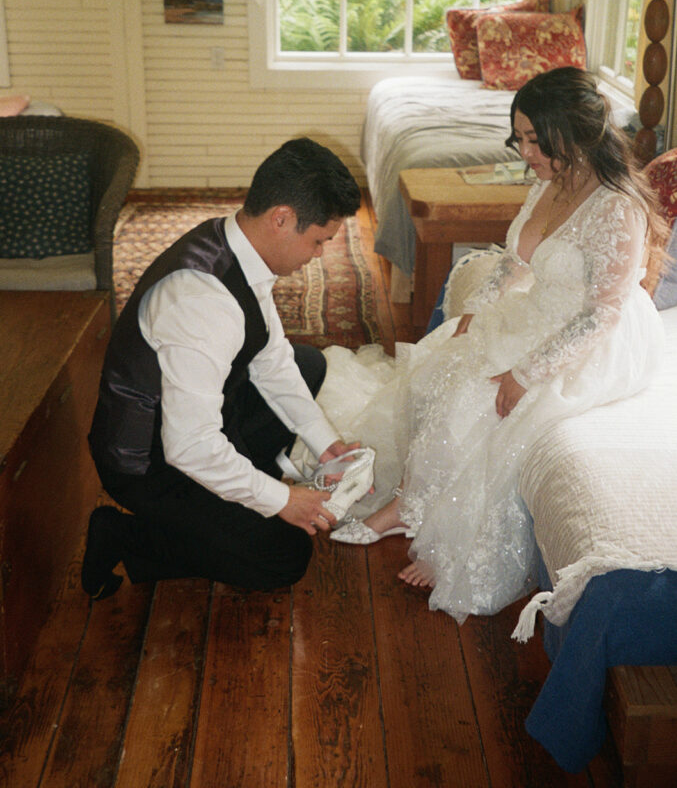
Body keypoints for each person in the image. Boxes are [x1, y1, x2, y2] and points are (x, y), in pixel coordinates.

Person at [322, 67, 667, 623]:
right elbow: (512, 261)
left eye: (535, 139)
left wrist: (526, 375)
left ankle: (418, 515)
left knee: (477, 400)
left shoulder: (616, 206)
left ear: (572, 136)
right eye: (521, 138)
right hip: (535, 313)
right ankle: (409, 497)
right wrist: (473, 312)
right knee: (437, 367)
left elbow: (601, 313)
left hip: (591, 340)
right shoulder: (550, 182)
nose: (524, 151)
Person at [82, 137, 362, 601]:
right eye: (318, 241)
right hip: (148, 461)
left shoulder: (239, 245)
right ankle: (124, 536)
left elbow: (271, 358)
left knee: (306, 363)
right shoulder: (200, 300)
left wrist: (326, 444)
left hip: (194, 419)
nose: (318, 255)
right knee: (283, 555)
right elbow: (189, 447)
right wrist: (284, 500)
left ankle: (241, 481)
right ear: (282, 219)